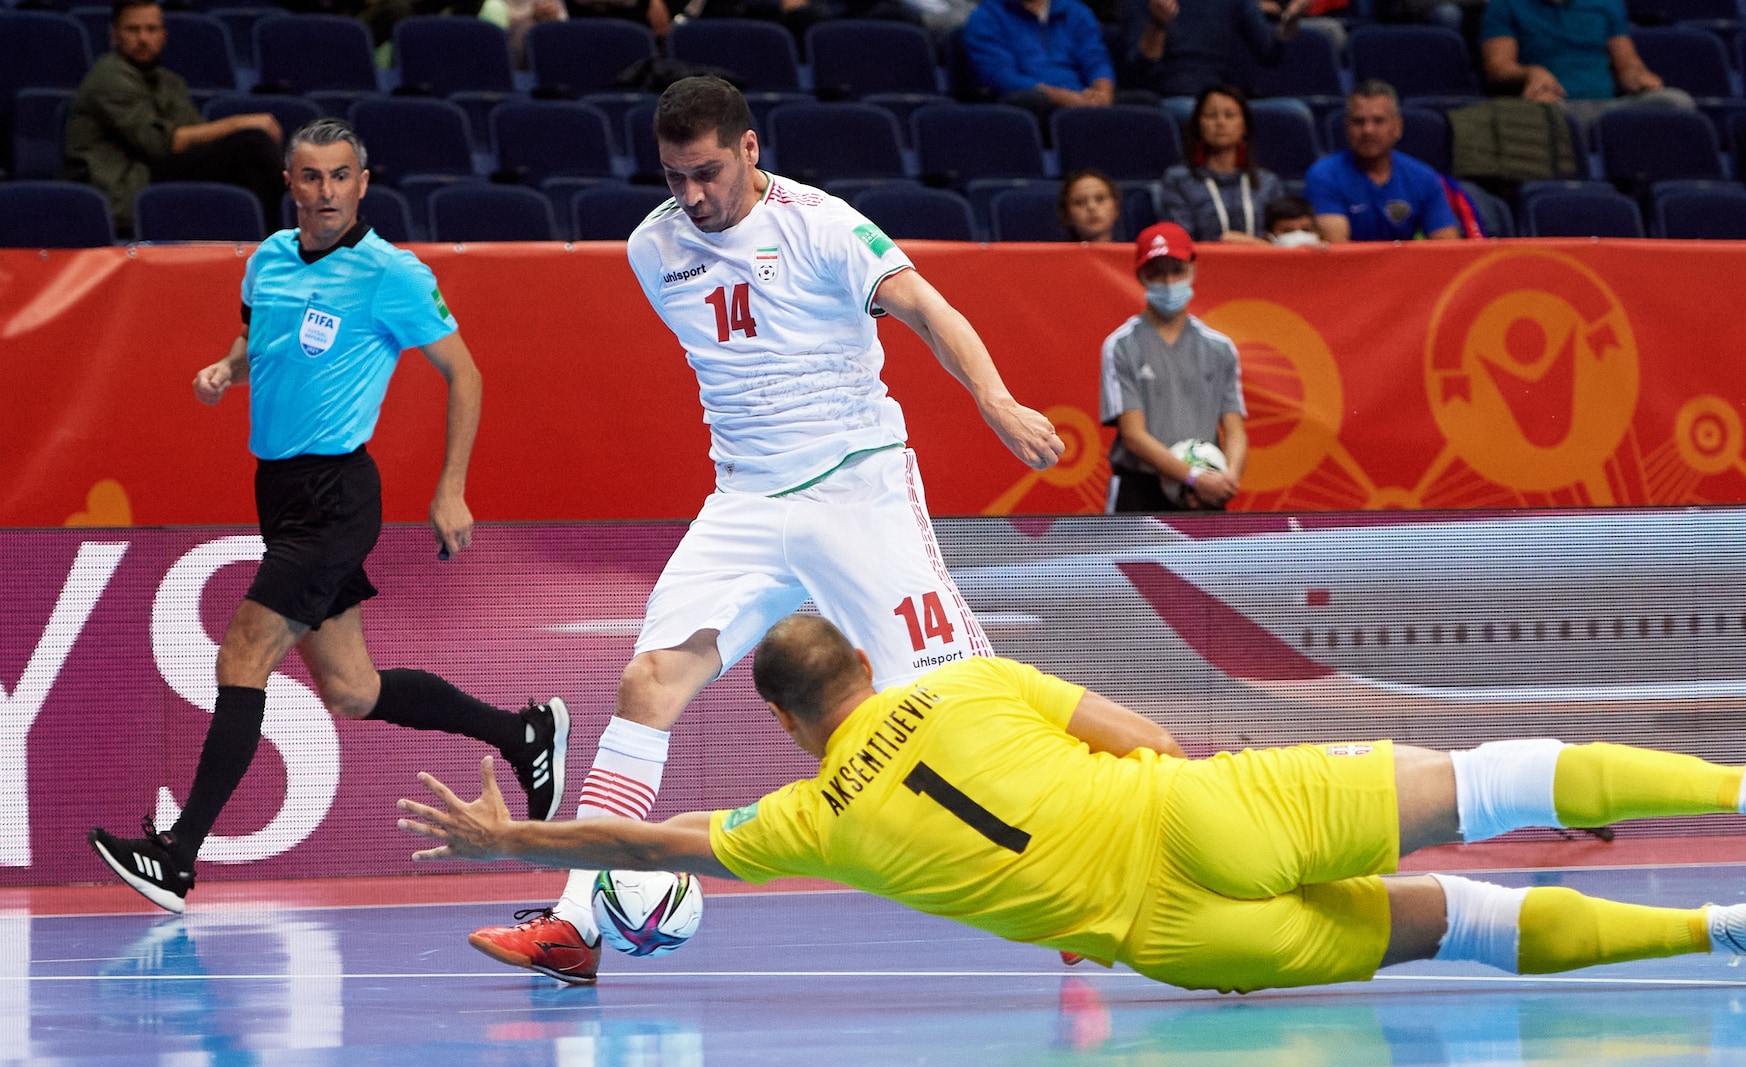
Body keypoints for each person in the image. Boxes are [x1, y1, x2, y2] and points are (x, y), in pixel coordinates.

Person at [400, 614, 1746, 993]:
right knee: (1485, 786)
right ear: (862, 663)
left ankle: (1723, 929)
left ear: (786, 720)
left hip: (1168, 938)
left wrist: (508, 841)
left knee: (1460, 930)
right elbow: (1144, 730)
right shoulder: (967, 680)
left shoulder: (807, 824)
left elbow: (645, 841)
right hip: (1195, 814)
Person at [463, 76, 1065, 985]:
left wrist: (996, 400)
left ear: (750, 149)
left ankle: (1062, 882)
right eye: (673, 177)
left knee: (956, 699)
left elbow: (928, 310)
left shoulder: (822, 224)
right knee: (647, 681)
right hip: (744, 501)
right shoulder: (650, 247)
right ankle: (575, 923)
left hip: (858, 492)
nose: (693, 197)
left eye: (707, 173)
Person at [87, 118, 570, 915]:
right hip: (277, 493)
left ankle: (176, 855)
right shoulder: (267, 261)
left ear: (363, 182)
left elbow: (466, 375)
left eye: (341, 176)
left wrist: (451, 487)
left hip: (337, 497)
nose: (326, 192)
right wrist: (224, 369)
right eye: (311, 178)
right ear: (291, 185)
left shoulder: (391, 274)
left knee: (243, 652)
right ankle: (523, 734)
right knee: (351, 687)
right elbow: (258, 346)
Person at [65, 0, 286, 233]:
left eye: (151, 29)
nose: (143, 38)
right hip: (120, 190)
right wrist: (240, 123)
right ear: (114, 36)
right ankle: (296, 234)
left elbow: (199, 141)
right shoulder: (108, 76)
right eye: (132, 29)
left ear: (163, 36)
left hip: (154, 174)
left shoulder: (169, 82)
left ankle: (270, 247)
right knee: (252, 143)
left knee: (248, 168)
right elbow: (162, 143)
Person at [1100, 223, 1247, 513]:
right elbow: (1133, 434)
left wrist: (1227, 479)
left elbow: (1235, 430)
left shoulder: (1219, 347)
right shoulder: (1121, 345)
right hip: (1141, 491)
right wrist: (1191, 476)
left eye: (1177, 270)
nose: (1168, 282)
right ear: (1141, 276)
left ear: (1193, 270)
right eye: (1157, 272)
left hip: (1205, 492)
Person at [1480, 0, 1693, 131]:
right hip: (1554, 106)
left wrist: (1637, 75)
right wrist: (1531, 72)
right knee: (1536, 115)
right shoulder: (1504, 4)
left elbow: (1627, 62)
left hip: (1609, 108)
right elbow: (1498, 67)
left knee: (1676, 102)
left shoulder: (1605, 3)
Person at [1306, 81, 1462, 243]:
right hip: (1350, 267)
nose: (1368, 130)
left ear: (1397, 127)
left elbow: (1446, 245)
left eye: (1378, 121)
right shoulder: (1324, 176)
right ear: (1347, 127)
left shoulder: (1424, 177)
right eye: (1358, 122)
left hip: (1406, 266)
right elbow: (1337, 249)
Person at [963, 0, 1149, 124]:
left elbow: (1096, 58)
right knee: (1029, 102)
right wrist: (1067, 98)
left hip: (1084, 96)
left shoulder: (1075, 12)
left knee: (1144, 104)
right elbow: (1000, 76)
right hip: (1033, 100)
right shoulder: (985, 17)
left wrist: (1103, 93)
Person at [1120, 0, 1344, 103]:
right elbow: (1138, 76)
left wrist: (1289, 22)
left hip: (1220, 96)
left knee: (1295, 112)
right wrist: (1157, 28)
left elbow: (1269, 55)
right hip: (1170, 96)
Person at [1158, 85, 1291, 244]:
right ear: (1198, 125)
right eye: (1211, 115)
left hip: (1261, 265)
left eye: (1229, 115)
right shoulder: (1178, 180)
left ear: (1244, 126)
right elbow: (1179, 241)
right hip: (1203, 266)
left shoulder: (1267, 182)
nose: (1220, 122)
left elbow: (1281, 237)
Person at [1058, 169, 1123, 242]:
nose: (1091, 207)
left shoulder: (1134, 253)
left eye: (1100, 199)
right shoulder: (1053, 253)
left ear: (1116, 208)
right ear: (1066, 215)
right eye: (1079, 202)